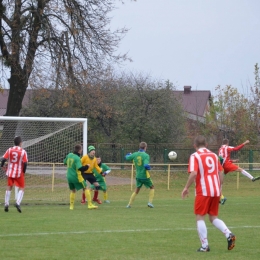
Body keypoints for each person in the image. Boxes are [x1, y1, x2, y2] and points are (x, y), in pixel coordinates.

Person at [182, 135, 236, 252]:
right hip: (215, 190)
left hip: (203, 191)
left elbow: (194, 173)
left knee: (200, 217)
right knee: (213, 217)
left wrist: (186, 187)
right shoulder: (214, 155)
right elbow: (221, 173)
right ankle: (228, 234)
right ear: (206, 145)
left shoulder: (195, 156)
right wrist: (219, 187)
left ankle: (205, 246)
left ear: (195, 146)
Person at [218, 139, 260, 204]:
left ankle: (221, 198)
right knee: (240, 169)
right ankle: (252, 178)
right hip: (227, 165)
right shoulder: (227, 147)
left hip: (222, 166)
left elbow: (222, 159)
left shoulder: (220, 149)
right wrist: (245, 143)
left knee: (220, 182)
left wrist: (233, 161)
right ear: (227, 143)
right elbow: (236, 149)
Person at [64, 144, 98, 210]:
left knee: (73, 190)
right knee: (86, 188)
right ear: (79, 150)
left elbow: (64, 162)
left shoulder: (69, 155)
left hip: (68, 176)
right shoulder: (77, 158)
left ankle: (71, 206)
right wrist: (87, 166)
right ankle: (90, 205)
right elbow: (80, 168)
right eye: (81, 149)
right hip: (76, 176)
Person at [0, 136, 28, 213]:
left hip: (10, 172)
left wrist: (2, 166)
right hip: (19, 173)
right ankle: (18, 203)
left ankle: (6, 204)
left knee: (9, 187)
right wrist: (24, 172)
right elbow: (25, 163)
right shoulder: (23, 152)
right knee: (22, 188)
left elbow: (3, 159)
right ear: (20, 143)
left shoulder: (10, 150)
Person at [125, 141, 154, 208]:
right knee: (152, 187)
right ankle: (150, 202)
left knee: (137, 190)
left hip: (138, 176)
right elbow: (146, 165)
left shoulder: (135, 154)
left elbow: (126, 157)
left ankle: (129, 205)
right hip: (145, 176)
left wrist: (128, 154)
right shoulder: (146, 155)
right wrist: (149, 168)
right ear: (145, 147)